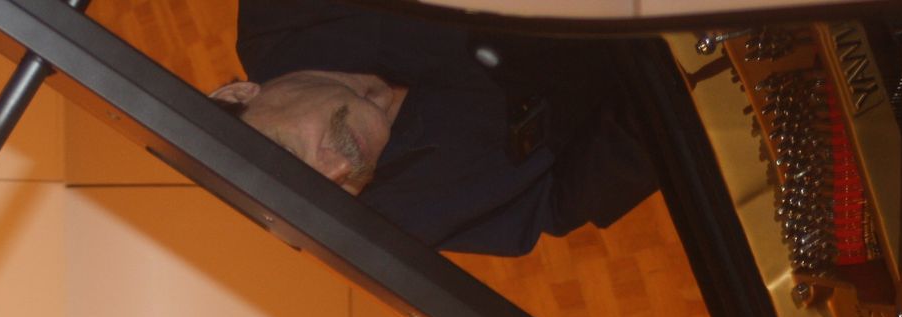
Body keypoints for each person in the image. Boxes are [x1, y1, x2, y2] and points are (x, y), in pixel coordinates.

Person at [210, 0, 656, 256]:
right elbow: (559, 199)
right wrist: (666, 83)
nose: (341, 167)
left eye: (296, 158)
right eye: (326, 195)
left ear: (238, 95)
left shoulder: (285, 9)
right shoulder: (400, 219)